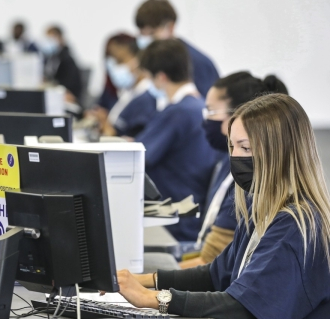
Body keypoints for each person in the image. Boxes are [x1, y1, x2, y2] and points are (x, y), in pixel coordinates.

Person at [116, 93, 330, 319]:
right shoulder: (260, 210)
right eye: (232, 147)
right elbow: (217, 274)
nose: (236, 157)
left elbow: (241, 306)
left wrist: (153, 299)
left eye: (246, 148)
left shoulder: (296, 227)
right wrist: (140, 280)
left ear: (281, 153)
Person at [180, 72, 289, 268]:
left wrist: (151, 283)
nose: (206, 121)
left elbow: (211, 263)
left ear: (238, 114)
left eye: (212, 112)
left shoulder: (248, 180)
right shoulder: (226, 164)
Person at [134, 39, 218, 242]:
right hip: (190, 212)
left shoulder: (178, 113)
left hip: (175, 223)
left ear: (161, 77)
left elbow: (138, 157)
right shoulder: (197, 107)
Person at [135, 0, 219, 98]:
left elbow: (204, 108)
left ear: (170, 27)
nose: (147, 41)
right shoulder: (154, 62)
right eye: (142, 35)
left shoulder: (196, 62)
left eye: (152, 34)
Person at [94, 34, 157, 138]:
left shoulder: (145, 98)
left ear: (137, 60)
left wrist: (107, 127)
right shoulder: (129, 93)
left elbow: (134, 140)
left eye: (120, 61)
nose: (116, 68)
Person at [42, 25, 83, 101]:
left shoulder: (67, 58)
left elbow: (69, 84)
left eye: (50, 39)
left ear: (59, 38)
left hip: (68, 97)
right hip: (57, 94)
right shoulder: (54, 57)